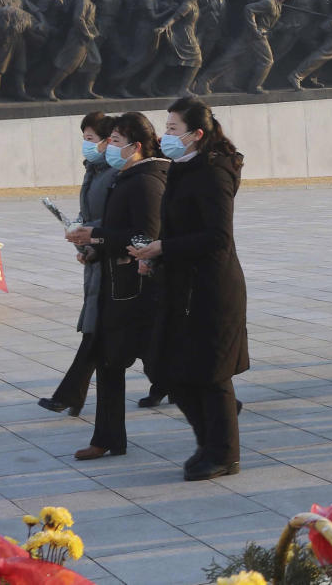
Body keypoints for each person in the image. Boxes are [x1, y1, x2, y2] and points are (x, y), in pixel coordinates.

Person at [128, 97, 249, 480]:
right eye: (165, 128)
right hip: (181, 285)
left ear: (196, 135)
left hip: (211, 289)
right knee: (171, 372)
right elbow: (177, 225)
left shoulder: (214, 173)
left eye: (173, 129)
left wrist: (164, 247)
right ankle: (207, 442)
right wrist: (154, 255)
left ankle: (224, 454)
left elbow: (217, 237)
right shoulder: (183, 168)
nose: (166, 136)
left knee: (211, 376)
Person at [63, 113, 168, 460]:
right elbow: (117, 231)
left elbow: (145, 236)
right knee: (109, 363)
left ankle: (220, 409)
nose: (109, 148)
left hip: (135, 290)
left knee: (165, 365)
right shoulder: (123, 178)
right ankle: (108, 438)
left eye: (116, 142)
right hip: (114, 284)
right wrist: (93, 247)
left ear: (136, 147)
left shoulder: (146, 181)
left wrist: (96, 234)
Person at [38, 112, 117, 416]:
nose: (85, 145)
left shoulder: (114, 172)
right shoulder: (94, 170)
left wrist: (89, 234)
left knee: (104, 334)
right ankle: (72, 395)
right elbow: (92, 213)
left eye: (90, 139)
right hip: (98, 258)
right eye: (84, 138)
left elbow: (116, 220)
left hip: (117, 265)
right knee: (98, 334)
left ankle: (69, 395)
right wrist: (83, 235)